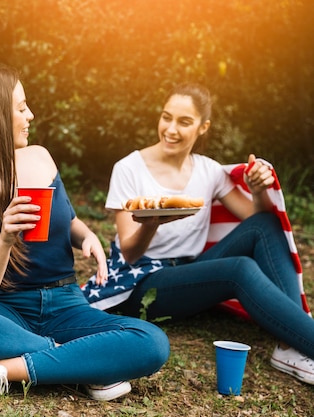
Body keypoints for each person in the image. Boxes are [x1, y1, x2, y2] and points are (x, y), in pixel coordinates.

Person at [0, 66, 170, 414]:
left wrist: (87, 236)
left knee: (153, 343)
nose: (30, 115)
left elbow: (66, 219)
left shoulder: (40, 157)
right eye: (21, 107)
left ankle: (1, 370)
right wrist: (5, 239)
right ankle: (82, 363)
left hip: (66, 303)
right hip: (5, 308)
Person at [90, 82, 314, 385]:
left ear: (203, 127)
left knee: (266, 225)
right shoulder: (129, 168)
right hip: (143, 283)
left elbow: (257, 221)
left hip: (191, 272)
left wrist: (259, 190)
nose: (171, 129)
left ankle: (289, 344)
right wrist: (152, 223)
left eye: (184, 122)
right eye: (166, 117)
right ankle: (303, 338)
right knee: (240, 269)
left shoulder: (209, 171)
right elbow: (129, 253)